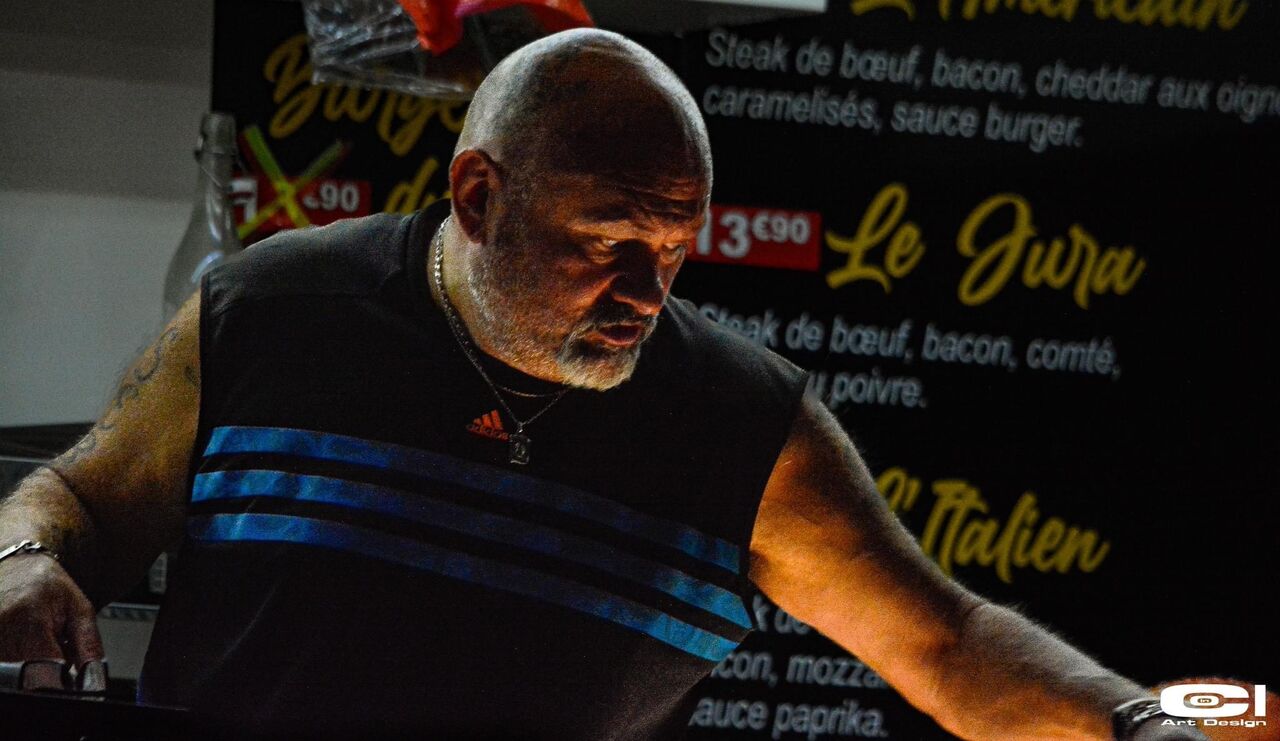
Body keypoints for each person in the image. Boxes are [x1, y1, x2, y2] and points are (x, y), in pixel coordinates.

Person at [0, 28, 1205, 741]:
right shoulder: (272, 311)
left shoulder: (746, 428)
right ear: (480, 196)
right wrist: (21, 558)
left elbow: (944, 644)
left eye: (674, 247)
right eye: (607, 239)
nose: (645, 289)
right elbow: (83, 502)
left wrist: (1141, 723)